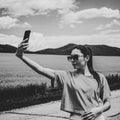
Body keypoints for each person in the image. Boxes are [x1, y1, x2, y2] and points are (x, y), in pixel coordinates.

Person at [16, 39, 111, 120]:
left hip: (98, 117)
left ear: (86, 58)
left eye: (75, 57)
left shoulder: (99, 77)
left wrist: (98, 110)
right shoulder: (67, 76)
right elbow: (40, 69)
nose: (72, 60)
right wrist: (21, 56)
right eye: (70, 57)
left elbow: (107, 102)